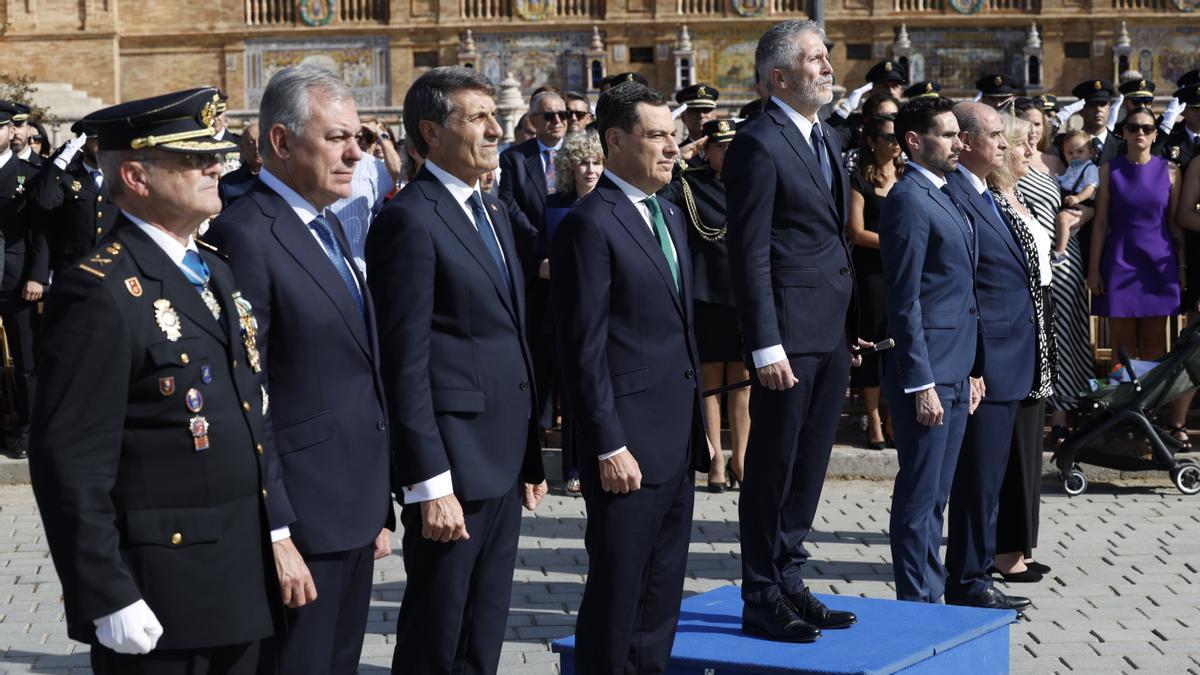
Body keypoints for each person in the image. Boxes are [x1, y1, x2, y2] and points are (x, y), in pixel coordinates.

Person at [28, 87, 277, 674]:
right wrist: (105, 591)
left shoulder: (212, 267)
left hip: (239, 576)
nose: (216, 164)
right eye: (193, 158)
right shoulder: (100, 289)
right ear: (137, 175)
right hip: (162, 591)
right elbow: (70, 459)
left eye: (213, 152)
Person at [204, 66, 394, 675]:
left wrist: (374, 508)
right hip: (301, 517)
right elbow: (245, 394)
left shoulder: (327, 221)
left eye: (359, 137)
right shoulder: (246, 234)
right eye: (337, 137)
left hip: (349, 505)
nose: (355, 153)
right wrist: (276, 529)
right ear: (281, 143)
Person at [366, 66, 547, 675]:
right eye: (477, 118)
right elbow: (405, 362)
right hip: (452, 465)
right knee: (437, 632)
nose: (497, 129)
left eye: (495, 116)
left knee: (483, 628)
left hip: (499, 457)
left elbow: (508, 336)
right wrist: (427, 482)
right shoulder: (409, 218)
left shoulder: (492, 212)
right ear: (431, 133)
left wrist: (528, 456)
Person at [552, 79, 711, 673]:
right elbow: (583, 351)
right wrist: (609, 444)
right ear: (615, 141)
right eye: (657, 136)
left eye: (674, 135)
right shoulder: (589, 225)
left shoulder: (668, 213)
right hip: (627, 448)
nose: (673, 148)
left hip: (674, 440)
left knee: (661, 594)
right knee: (618, 596)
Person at [726, 20, 860, 642]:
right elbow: (748, 252)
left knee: (810, 464)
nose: (828, 67)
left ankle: (789, 577)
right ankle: (759, 595)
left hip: (829, 332)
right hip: (787, 333)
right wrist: (765, 341)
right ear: (779, 76)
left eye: (827, 57)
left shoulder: (827, 138)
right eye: (814, 58)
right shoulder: (759, 142)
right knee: (775, 465)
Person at [879, 95, 980, 605]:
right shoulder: (907, 199)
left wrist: (973, 368)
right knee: (920, 495)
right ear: (914, 141)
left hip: (956, 367)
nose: (958, 141)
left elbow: (959, 291)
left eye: (958, 132)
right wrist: (920, 381)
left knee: (938, 493)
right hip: (927, 372)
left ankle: (931, 595)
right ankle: (917, 602)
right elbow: (906, 297)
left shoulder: (947, 192)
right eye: (946, 133)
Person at [943, 102, 1034, 612]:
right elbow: (965, 288)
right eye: (995, 134)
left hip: (1008, 355)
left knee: (990, 477)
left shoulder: (985, 192)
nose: (1004, 143)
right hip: (987, 359)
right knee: (978, 479)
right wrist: (974, 364)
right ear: (966, 141)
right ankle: (968, 580)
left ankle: (975, 572)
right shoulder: (957, 193)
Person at [660, 119, 749, 493]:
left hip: (744, 295)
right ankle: (714, 457)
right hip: (706, 295)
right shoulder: (688, 184)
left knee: (742, 384)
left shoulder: (750, 182)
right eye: (719, 147)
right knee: (711, 382)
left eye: (732, 147)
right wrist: (680, 153)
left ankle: (742, 459)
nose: (726, 154)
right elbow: (659, 195)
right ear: (705, 149)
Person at [988, 114, 1057, 584]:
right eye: (1021, 145)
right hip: (1012, 335)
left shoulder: (1020, 194)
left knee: (1030, 441)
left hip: (1038, 326)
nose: (1031, 151)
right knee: (1010, 446)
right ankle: (1004, 552)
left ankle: (1022, 544)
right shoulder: (992, 201)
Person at [1016, 105, 1093, 444]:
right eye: (1026, 124)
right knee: (1039, 337)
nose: (1032, 130)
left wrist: (1083, 216)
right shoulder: (1008, 161)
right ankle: (1035, 414)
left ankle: (1063, 415)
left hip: (1065, 261)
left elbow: (1080, 205)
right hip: (1029, 262)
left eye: (1037, 124)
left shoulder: (1057, 162)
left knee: (1066, 336)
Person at [1087, 106, 1183, 366]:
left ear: (1154, 135)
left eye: (1147, 128)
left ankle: (1149, 407)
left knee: (1155, 344)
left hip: (1159, 264)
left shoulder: (1172, 171)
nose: (1140, 132)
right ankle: (1123, 406)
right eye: (1133, 128)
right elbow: (1100, 223)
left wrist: (1182, 267)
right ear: (1124, 133)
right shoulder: (1108, 170)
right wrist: (1094, 270)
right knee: (1122, 346)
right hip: (1120, 263)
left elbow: (1174, 226)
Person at [543, 129, 604, 495]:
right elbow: (538, 263)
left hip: (604, 311)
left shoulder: (614, 203)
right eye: (583, 162)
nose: (591, 170)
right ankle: (574, 467)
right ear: (570, 166)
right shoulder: (554, 206)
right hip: (565, 310)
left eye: (597, 162)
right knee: (571, 390)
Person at [848, 113, 903, 450]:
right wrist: (895, 242)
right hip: (871, 273)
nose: (894, 142)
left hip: (903, 272)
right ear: (871, 142)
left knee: (899, 343)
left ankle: (894, 414)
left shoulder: (909, 176)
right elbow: (855, 231)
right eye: (887, 137)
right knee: (872, 343)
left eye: (897, 136)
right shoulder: (859, 179)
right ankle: (874, 419)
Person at [0, 100, 40, 459]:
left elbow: (39, 232)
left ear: (10, 132)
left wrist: (36, 275)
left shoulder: (27, 172)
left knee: (26, 361)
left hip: (16, 276)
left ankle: (29, 430)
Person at [1054, 130, 1101, 256]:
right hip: (1069, 201)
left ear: (1090, 152)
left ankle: (1060, 251)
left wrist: (1078, 198)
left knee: (1062, 219)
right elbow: (1064, 180)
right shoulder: (1071, 168)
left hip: (1081, 204)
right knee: (1061, 221)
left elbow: (1091, 187)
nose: (1075, 156)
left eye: (1080, 151)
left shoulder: (1090, 168)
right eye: (1070, 153)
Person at [675, 83, 719, 166]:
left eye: (706, 110)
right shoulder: (677, 153)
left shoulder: (725, 150)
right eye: (694, 111)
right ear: (683, 117)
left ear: (714, 116)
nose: (701, 115)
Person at [218, 122, 260, 207]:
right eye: (251, 142)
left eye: (261, 140)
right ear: (243, 149)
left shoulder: (282, 179)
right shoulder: (228, 184)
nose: (257, 146)